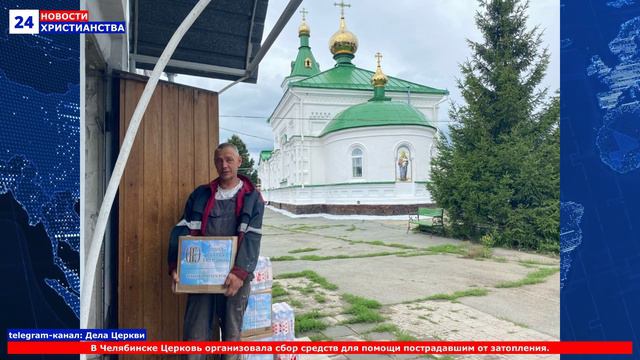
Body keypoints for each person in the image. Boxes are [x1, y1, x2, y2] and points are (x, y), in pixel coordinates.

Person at [167, 143, 265, 360]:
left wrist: (240, 273)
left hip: (235, 279)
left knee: (231, 340)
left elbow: (252, 238)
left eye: (229, 159)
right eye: (219, 160)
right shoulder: (200, 195)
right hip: (200, 277)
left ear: (240, 162)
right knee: (195, 338)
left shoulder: (252, 198)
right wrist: (176, 266)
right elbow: (181, 230)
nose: (224, 165)